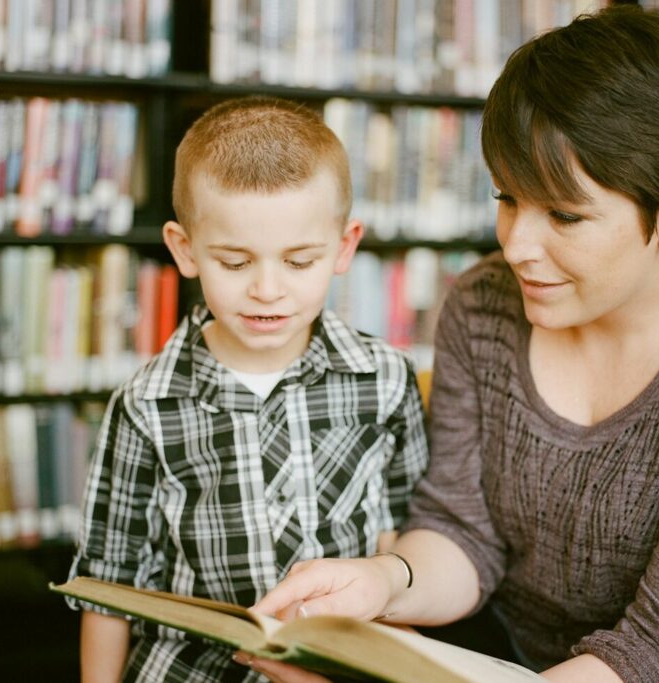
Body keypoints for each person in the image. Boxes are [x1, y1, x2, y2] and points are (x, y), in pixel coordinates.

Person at [245, 6, 659, 683]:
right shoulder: (483, 304)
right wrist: (383, 581)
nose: (517, 246)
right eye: (508, 198)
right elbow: (462, 533)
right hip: (510, 656)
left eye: (563, 214)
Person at [66, 96, 429, 682]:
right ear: (185, 250)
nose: (267, 289)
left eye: (298, 261)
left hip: (338, 667)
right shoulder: (145, 405)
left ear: (344, 247)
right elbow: (108, 583)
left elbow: (405, 532)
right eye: (235, 263)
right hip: (191, 670)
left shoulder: (386, 378)